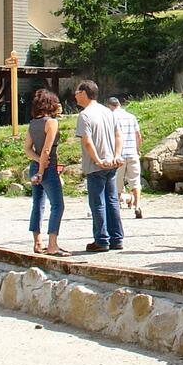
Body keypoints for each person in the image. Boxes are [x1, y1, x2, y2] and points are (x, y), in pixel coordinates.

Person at [74, 80, 123, 252]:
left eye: (77, 92)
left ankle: (101, 240)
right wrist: (116, 155)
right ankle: (116, 238)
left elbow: (87, 142)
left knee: (98, 203)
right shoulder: (108, 112)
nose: (75, 95)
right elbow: (118, 135)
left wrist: (97, 160)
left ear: (84, 93)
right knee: (112, 200)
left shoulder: (85, 115)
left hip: (97, 166)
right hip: (112, 163)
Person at [24, 88, 69, 256]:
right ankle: (52, 244)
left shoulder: (32, 123)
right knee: (57, 205)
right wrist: (43, 169)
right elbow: (47, 150)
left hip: (34, 166)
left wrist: (37, 164)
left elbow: (27, 149)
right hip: (48, 168)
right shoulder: (51, 122)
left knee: (38, 204)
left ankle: (37, 243)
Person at [106, 96, 144, 219]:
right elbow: (138, 135)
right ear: (119, 104)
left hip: (119, 156)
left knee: (117, 183)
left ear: (110, 106)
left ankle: (116, 210)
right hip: (132, 153)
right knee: (135, 182)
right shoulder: (131, 116)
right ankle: (137, 206)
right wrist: (137, 150)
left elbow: (111, 137)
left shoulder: (111, 117)